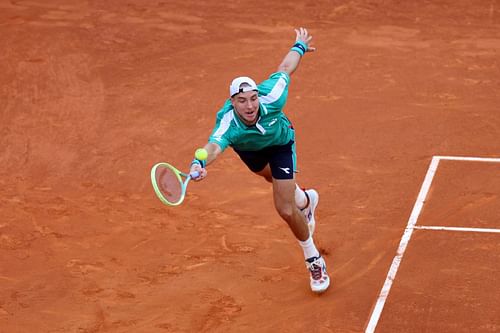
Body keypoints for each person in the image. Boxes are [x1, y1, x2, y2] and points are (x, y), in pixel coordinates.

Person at [189, 27, 330, 293]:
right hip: (251, 152)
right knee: (271, 179)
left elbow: (285, 68)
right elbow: (214, 146)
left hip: (280, 145)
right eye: (242, 101)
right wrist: (200, 163)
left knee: (286, 209)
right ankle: (307, 200)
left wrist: (299, 46)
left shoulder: (272, 96)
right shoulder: (228, 122)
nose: (250, 106)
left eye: (253, 98)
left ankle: (314, 259)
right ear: (232, 102)